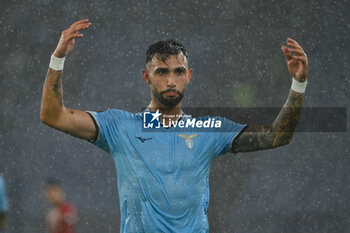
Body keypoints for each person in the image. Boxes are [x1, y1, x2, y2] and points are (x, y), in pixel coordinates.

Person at [40, 19, 308, 232]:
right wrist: (58, 59)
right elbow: (53, 116)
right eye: (162, 72)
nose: (171, 80)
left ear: (189, 76)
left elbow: (278, 135)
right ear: (147, 77)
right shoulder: (120, 126)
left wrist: (298, 84)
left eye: (178, 72)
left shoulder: (208, 130)